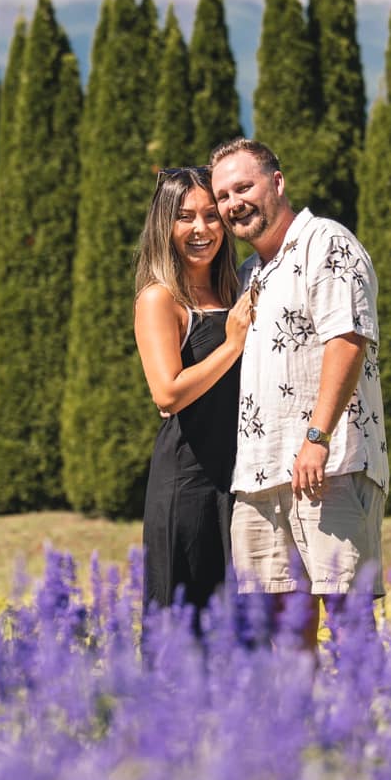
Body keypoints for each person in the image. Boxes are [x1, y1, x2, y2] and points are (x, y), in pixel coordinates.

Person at [208, 137, 387, 648]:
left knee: (348, 615)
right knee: (283, 627)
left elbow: (348, 340)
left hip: (328, 465)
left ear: (277, 182)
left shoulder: (325, 242)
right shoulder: (249, 274)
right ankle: (301, 726)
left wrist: (317, 436)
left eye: (244, 186)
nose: (233, 203)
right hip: (260, 473)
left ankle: (367, 724)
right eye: (223, 195)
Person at [132, 164, 254, 617]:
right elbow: (167, 393)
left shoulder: (236, 287)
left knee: (240, 633)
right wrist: (234, 342)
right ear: (165, 224)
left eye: (211, 215)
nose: (201, 229)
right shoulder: (159, 298)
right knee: (182, 630)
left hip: (240, 484)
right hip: (187, 484)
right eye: (186, 217)